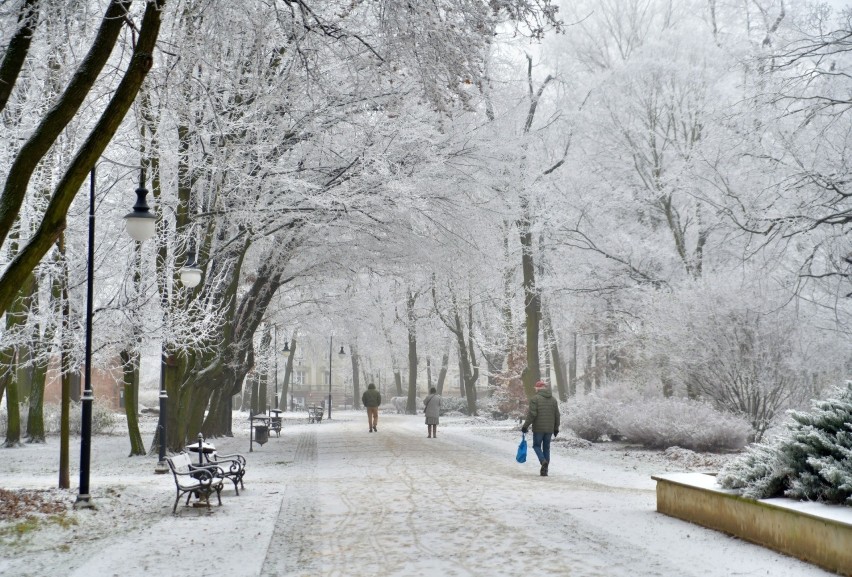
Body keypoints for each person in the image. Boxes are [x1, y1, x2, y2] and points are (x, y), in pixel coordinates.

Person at [521, 380, 560, 476]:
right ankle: (545, 470)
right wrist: (556, 428)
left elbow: (532, 414)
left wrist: (525, 426)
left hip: (538, 428)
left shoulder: (535, 399)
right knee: (546, 448)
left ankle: (543, 461)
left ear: (538, 388)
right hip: (550, 429)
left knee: (536, 446)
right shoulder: (553, 400)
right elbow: (557, 415)